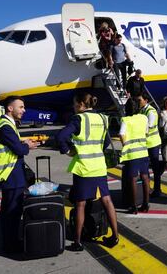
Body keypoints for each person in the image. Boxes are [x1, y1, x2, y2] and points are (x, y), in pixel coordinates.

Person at [57, 92, 119, 251]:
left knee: (80, 204)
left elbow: (61, 136)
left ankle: (77, 242)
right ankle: (115, 236)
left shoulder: (79, 119)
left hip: (84, 167)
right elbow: (105, 143)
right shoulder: (103, 118)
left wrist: (69, 151)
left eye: (74, 103)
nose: (73, 106)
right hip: (99, 165)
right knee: (107, 200)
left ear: (80, 104)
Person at [0, 96, 39, 253]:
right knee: (12, 211)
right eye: (21, 107)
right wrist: (27, 146)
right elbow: (19, 150)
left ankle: (10, 240)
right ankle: (11, 244)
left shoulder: (7, 124)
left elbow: (12, 145)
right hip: (11, 175)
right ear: (10, 108)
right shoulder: (5, 127)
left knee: (10, 209)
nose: (24, 110)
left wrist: (23, 143)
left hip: (12, 173)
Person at [119, 98, 150, 214]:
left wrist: (125, 144)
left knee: (132, 178)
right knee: (145, 177)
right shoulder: (144, 118)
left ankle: (133, 205)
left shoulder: (125, 120)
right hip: (143, 151)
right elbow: (146, 132)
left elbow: (121, 134)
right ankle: (146, 203)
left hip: (132, 153)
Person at [136, 93, 163, 198]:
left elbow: (149, 127)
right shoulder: (142, 110)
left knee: (155, 168)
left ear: (146, 100)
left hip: (153, 143)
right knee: (145, 168)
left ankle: (157, 189)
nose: (138, 102)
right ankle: (147, 189)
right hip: (146, 144)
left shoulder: (151, 112)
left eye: (140, 100)